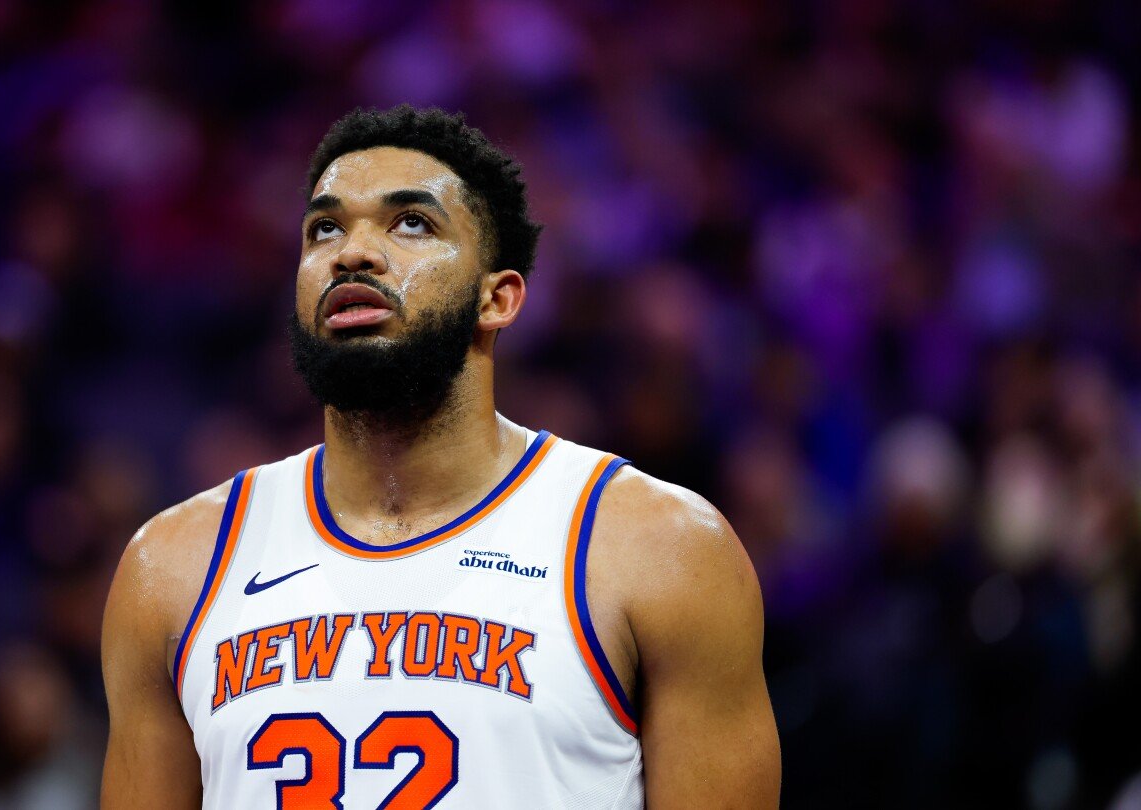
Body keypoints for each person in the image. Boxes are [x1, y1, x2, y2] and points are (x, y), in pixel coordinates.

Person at [100, 105, 781, 808]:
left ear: (497, 299)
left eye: (411, 223)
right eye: (325, 228)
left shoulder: (660, 549)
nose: (352, 252)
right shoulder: (172, 567)